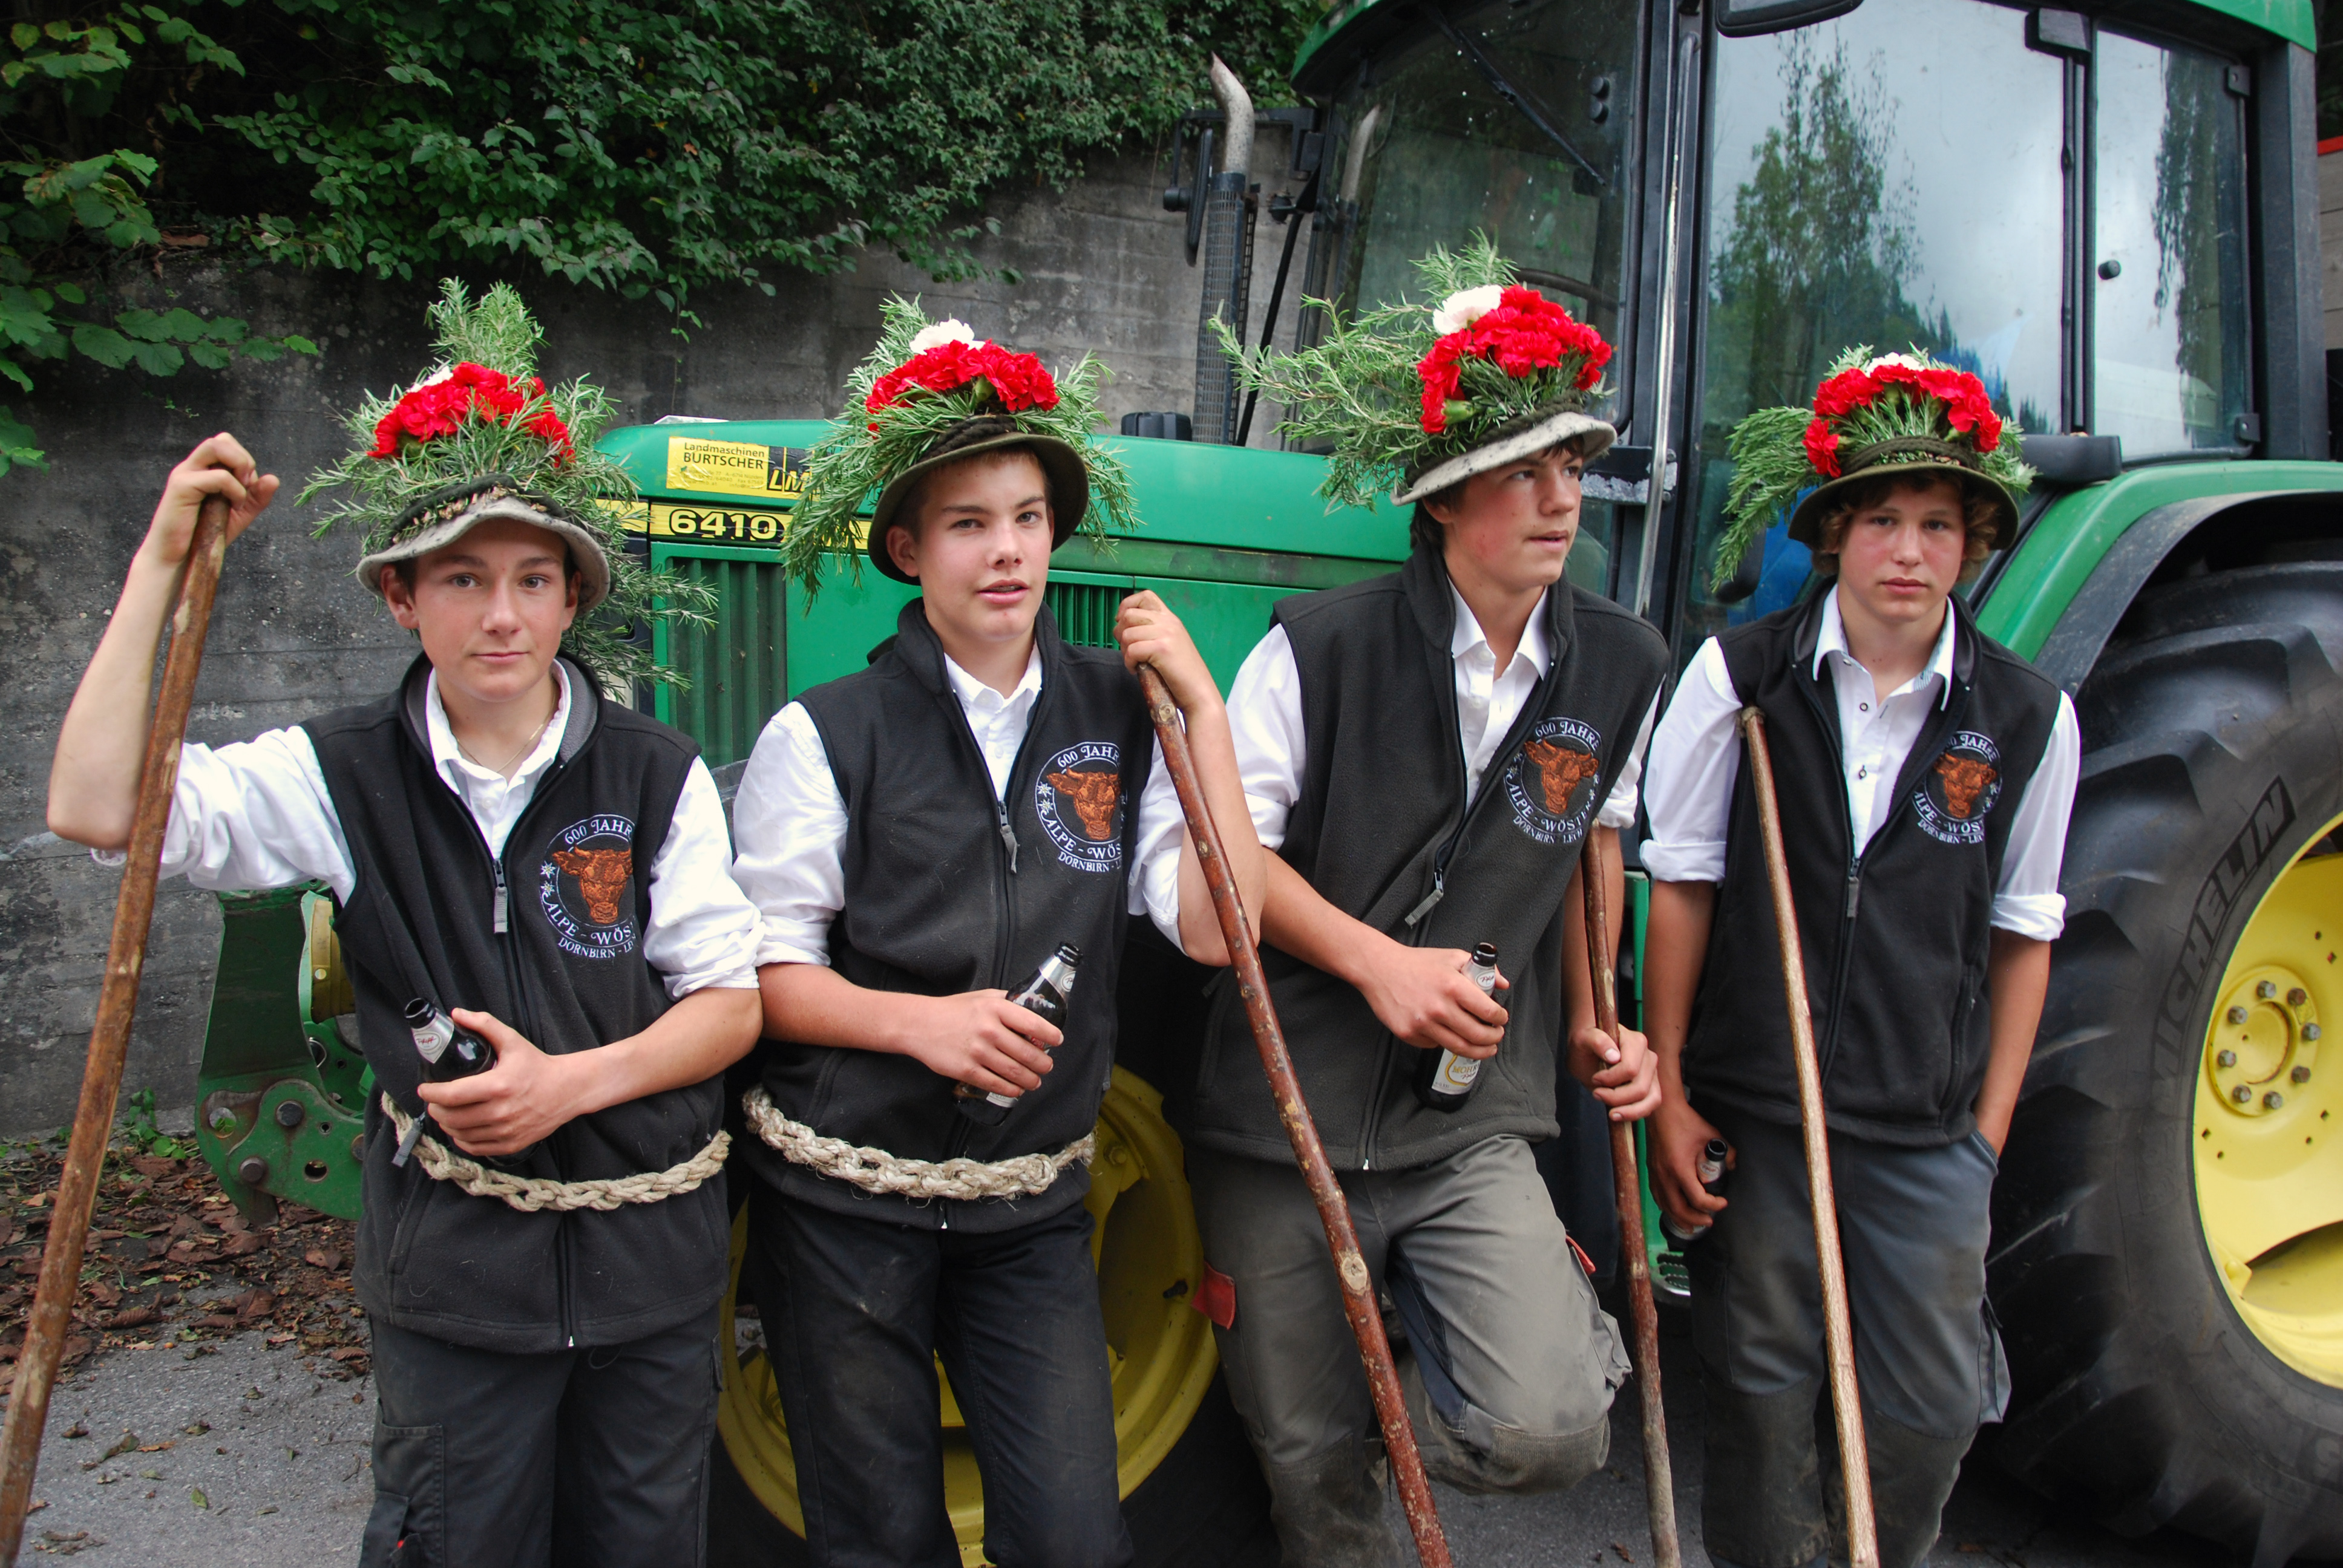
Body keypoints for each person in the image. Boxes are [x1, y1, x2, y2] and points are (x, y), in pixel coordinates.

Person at [45, 283, 766, 1568]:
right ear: (400, 597)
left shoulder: (656, 774)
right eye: (462, 579)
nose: (501, 616)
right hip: (456, 1285)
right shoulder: (336, 776)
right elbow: (97, 807)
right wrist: (161, 565)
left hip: (648, 1280)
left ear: (571, 599)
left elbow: (730, 1002)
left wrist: (569, 1087)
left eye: (533, 580)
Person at [729, 304, 1265, 1568]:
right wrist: (926, 1025)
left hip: (1028, 1209)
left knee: (1076, 1541)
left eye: (1027, 517)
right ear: (908, 550)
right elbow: (765, 977)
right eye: (969, 524)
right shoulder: (825, 733)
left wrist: (1206, 718)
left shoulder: (1122, 716)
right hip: (844, 1204)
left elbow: (1218, 930)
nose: (1007, 551)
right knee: (879, 1541)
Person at [1193, 241, 1668, 1567]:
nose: (1561, 500)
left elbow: (1593, 845)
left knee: (1550, 1430)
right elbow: (1225, 869)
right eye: (1523, 472)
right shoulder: (1318, 649)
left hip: (1468, 1128)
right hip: (1282, 1118)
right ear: (1447, 499)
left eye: (1571, 467)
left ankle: (1370, 1404)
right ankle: (1321, 1435)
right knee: (1310, 1488)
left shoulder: (1623, 664)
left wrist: (1603, 1018)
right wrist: (1380, 966)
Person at [1640, 347, 2081, 1568]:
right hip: (1762, 1112)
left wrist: (1984, 1140)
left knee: (1929, 1414)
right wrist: (1670, 1091)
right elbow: (1682, 888)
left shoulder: (2027, 717)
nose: (1907, 551)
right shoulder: (1740, 681)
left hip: (1925, 1131)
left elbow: (2023, 935)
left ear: (1972, 545)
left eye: (1937, 525)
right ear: (1835, 533)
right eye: (1881, 519)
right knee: (1761, 1391)